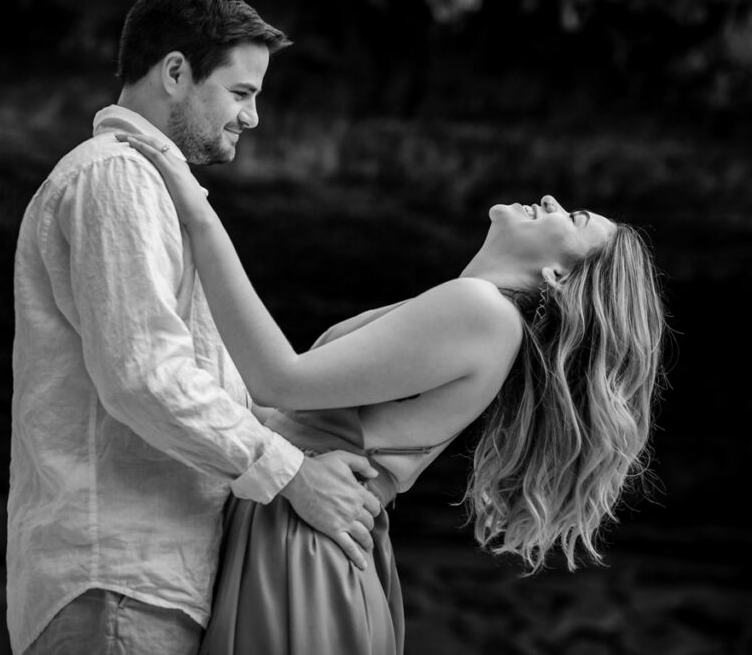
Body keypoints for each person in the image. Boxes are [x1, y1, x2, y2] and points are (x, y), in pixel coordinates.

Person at [115, 132, 668, 655]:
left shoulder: (481, 311)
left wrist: (198, 215)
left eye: (571, 218)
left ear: (558, 276)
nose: (549, 199)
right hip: (307, 531)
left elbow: (278, 382)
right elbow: (272, 405)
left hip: (303, 545)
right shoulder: (479, 312)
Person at [6, 0, 382, 654]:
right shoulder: (114, 177)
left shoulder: (145, 188)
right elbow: (145, 374)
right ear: (175, 72)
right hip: (120, 589)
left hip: (140, 587)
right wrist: (294, 475)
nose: (253, 117)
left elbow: (185, 379)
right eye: (241, 93)